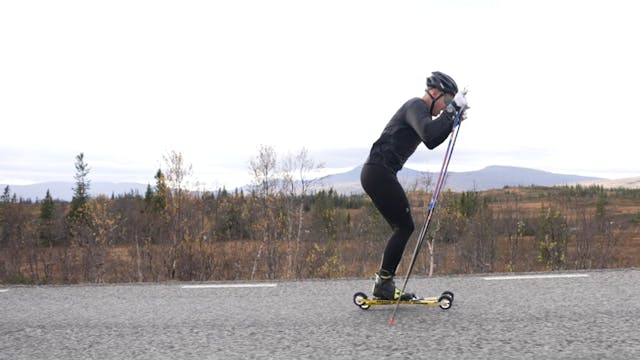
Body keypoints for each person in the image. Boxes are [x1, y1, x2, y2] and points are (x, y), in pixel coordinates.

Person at [360, 71, 468, 300]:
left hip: (380, 173)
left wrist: (452, 117)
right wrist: (451, 112)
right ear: (435, 93)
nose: (444, 106)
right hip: (378, 172)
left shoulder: (422, 114)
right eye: (446, 101)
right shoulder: (415, 106)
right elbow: (429, 135)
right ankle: (383, 284)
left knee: (403, 226)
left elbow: (433, 140)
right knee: (404, 227)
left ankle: (384, 283)